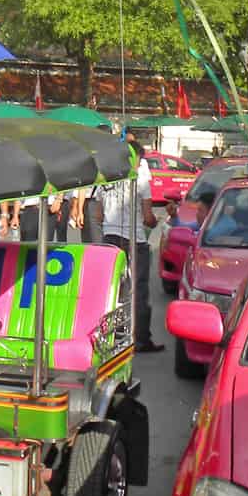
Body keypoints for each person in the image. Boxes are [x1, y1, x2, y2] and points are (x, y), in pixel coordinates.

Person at [102, 139, 163, 353]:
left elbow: (100, 213)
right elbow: (148, 218)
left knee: (114, 290)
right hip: (135, 240)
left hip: (109, 238)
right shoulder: (140, 181)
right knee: (138, 290)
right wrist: (157, 222)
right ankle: (141, 339)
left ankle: (114, 336)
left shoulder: (108, 179)